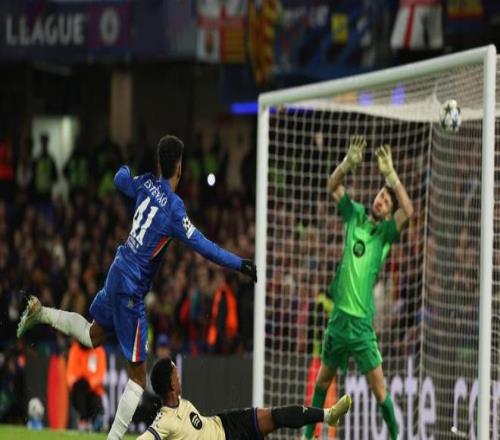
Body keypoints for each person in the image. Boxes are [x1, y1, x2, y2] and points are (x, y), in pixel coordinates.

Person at [17, 134, 257, 440]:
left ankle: (41, 313)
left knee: (92, 335)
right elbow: (205, 246)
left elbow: (120, 179)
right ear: (180, 168)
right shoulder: (174, 209)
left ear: (159, 163)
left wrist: (125, 167)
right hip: (132, 288)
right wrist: (241, 264)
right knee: (138, 378)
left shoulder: (145, 183)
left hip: (117, 271)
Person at [303, 136, 414, 440]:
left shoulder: (385, 233)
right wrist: (347, 164)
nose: (381, 200)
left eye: (386, 201)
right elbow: (332, 185)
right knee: (322, 382)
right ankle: (306, 437)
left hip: (362, 325)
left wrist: (392, 176)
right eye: (381, 195)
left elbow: (409, 210)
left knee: (379, 390)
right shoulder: (354, 215)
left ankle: (395, 437)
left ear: (389, 213)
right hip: (339, 320)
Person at [137, 358, 351, 440]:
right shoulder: (165, 421)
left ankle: (328, 415)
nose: (180, 377)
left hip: (226, 423)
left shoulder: (180, 403)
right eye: (176, 374)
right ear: (171, 385)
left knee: (275, 416)